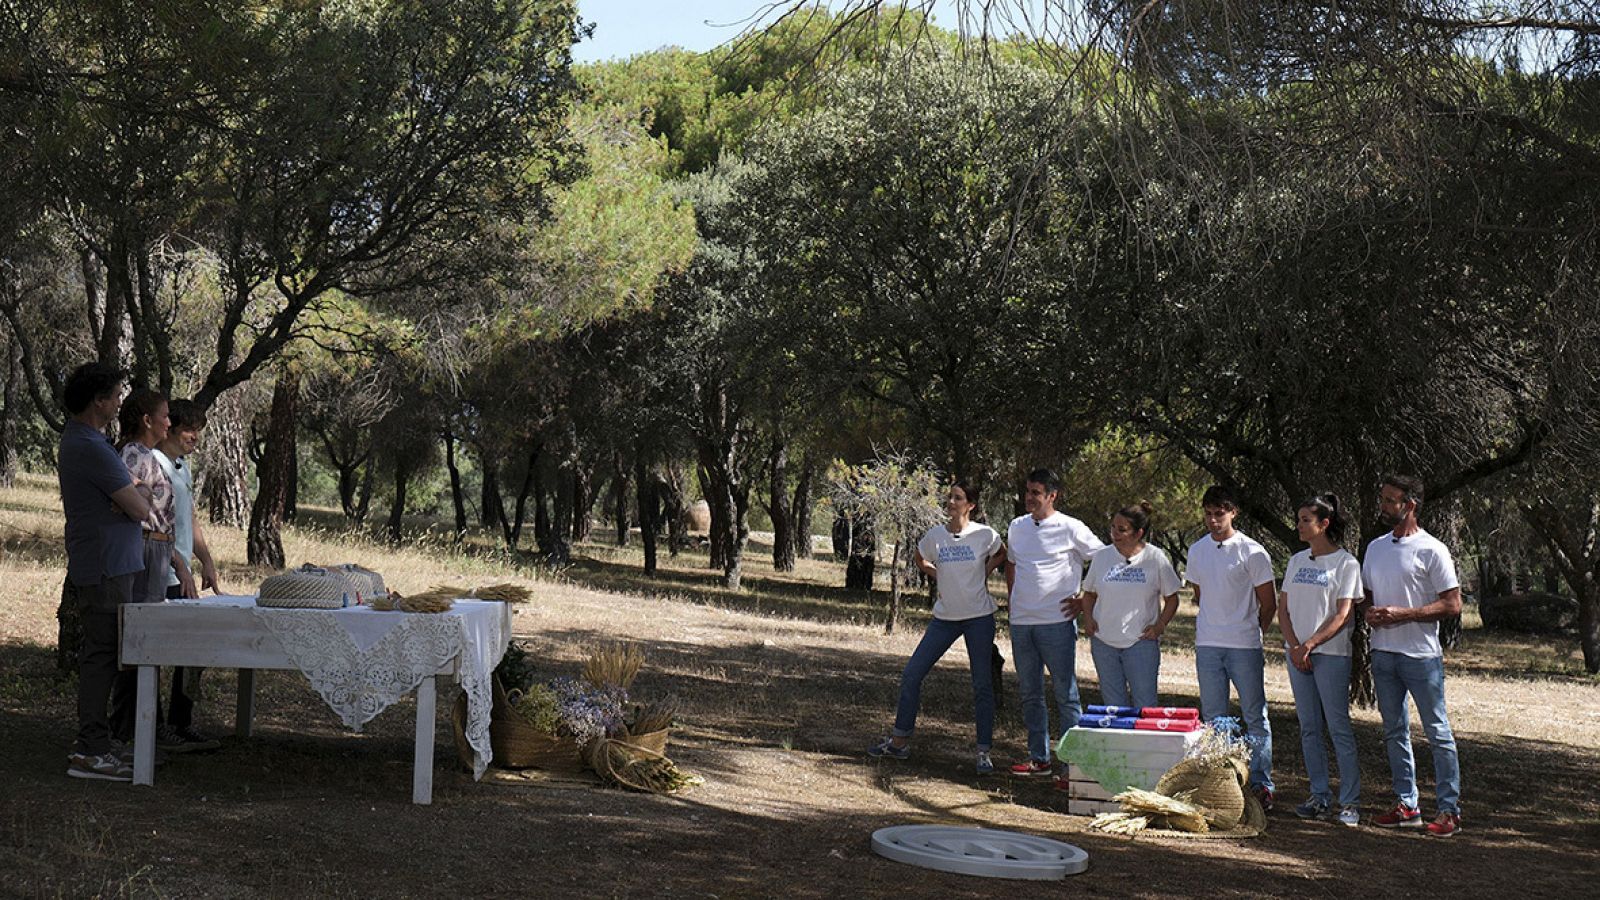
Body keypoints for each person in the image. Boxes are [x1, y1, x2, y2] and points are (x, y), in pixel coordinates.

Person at [867, 480, 1005, 774]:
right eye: (950, 497)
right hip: (944, 618)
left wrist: (986, 570)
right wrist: (935, 573)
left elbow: (1001, 552)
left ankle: (983, 752)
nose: (951, 502)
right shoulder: (935, 536)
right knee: (912, 674)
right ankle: (900, 741)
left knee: (982, 684)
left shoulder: (984, 535)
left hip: (979, 617)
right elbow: (920, 558)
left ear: (971, 505)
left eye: (958, 498)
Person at [58, 362, 151, 781]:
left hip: (111, 562)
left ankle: (97, 743)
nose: (118, 403)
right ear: (98, 401)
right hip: (105, 565)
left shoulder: (89, 442)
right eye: (115, 396)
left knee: (108, 654)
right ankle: (91, 750)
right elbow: (140, 507)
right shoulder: (91, 446)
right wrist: (134, 497)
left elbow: (134, 497)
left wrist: (133, 495)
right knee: (102, 655)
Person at [1362, 475, 1463, 837]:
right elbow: (1369, 597)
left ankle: (1449, 811)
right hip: (1383, 654)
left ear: (1410, 505)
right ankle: (1408, 806)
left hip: (1420, 656)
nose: (1385, 506)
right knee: (1394, 732)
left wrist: (1405, 614)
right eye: (1384, 499)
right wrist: (1371, 613)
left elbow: (1452, 604)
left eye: (1392, 501)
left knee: (1437, 732)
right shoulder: (1375, 548)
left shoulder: (1432, 549)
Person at [1004, 468, 1103, 780]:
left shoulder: (1070, 527)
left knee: (1066, 694)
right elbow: (1012, 564)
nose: (1029, 498)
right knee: (1030, 693)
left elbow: (1103, 560)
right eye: (1028, 491)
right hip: (1021, 622)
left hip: (1056, 623)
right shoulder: (1017, 526)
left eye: (1036, 492)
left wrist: (1084, 600)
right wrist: (1014, 599)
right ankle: (1039, 759)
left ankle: (1072, 766)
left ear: (1052, 496)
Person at [1185, 485, 1277, 810]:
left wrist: (1253, 631)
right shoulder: (1197, 550)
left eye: (1219, 514)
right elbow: (1200, 594)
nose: (1213, 520)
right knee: (1213, 718)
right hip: (1208, 643)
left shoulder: (1253, 551)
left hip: (1244, 645)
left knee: (1254, 715)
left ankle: (1261, 784)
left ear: (1233, 512)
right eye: (1208, 514)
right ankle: (1220, 784)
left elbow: (1269, 603)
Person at [110, 387, 190, 745]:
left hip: (156, 552)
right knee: (140, 640)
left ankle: (142, 728)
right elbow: (135, 507)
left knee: (148, 641)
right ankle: (129, 730)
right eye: (165, 416)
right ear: (147, 420)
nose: (169, 423)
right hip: (144, 553)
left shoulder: (146, 454)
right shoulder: (133, 454)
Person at [1277, 493, 1362, 826]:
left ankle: (1350, 802)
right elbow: (1283, 610)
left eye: (1305, 520)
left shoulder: (1346, 564)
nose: (1299, 526)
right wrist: (1296, 647)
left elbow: (1343, 614)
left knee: (1338, 728)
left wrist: (1311, 644)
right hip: (1298, 655)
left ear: (1324, 524)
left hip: (1330, 655)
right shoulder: (1297, 561)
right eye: (1298, 520)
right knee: (1309, 729)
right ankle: (1319, 796)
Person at [151, 398, 223, 752]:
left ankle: (182, 721)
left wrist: (205, 560)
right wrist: (178, 564)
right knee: (156, 652)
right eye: (188, 430)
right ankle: (156, 728)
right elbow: (155, 524)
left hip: (184, 572)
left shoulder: (182, 466)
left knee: (192, 650)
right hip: (159, 572)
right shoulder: (154, 463)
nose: (195, 438)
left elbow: (189, 518)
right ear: (171, 429)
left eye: (199, 431)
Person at [1077, 501, 1180, 711]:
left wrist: (1159, 627)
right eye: (1113, 527)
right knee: (1114, 709)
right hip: (1104, 643)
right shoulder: (1102, 556)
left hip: (1140, 644)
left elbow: (1172, 599)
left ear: (1138, 533)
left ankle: (1145, 744)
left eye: (1122, 529)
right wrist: (1088, 619)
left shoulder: (1155, 558)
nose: (1114, 533)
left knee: (1145, 707)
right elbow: (1088, 594)